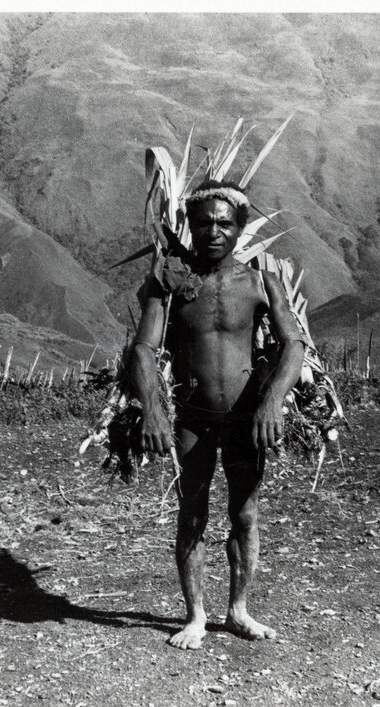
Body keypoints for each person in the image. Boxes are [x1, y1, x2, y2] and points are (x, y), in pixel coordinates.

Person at [129, 180, 306, 650]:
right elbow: (143, 349)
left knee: (245, 514)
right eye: (204, 222)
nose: (213, 231)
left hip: (246, 419)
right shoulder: (169, 284)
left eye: (225, 223)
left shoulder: (261, 281)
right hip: (192, 418)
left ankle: (239, 610)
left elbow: (293, 344)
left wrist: (271, 403)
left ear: (240, 227)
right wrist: (152, 410)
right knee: (192, 515)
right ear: (189, 225)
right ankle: (195, 616)